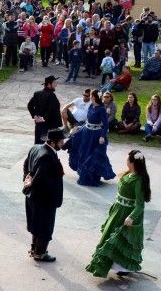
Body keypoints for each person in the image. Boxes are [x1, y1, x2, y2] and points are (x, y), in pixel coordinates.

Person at [86, 150, 151, 278]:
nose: (125, 161)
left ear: (132, 163)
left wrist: (131, 217)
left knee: (120, 240)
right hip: (118, 211)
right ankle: (112, 265)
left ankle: (123, 267)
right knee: (109, 236)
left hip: (126, 214)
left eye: (127, 159)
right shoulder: (129, 173)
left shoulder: (138, 181)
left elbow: (140, 205)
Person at [23, 128, 66, 262]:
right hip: (44, 198)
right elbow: (41, 178)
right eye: (61, 141)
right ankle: (40, 253)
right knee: (44, 226)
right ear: (53, 143)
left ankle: (35, 249)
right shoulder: (47, 156)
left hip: (33, 196)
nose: (62, 143)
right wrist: (31, 181)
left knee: (36, 224)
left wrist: (27, 178)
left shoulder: (35, 148)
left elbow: (26, 164)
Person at [65, 91, 116, 186]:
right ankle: (83, 174)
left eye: (91, 95)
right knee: (81, 150)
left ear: (94, 97)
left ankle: (92, 176)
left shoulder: (101, 109)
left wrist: (102, 136)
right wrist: (81, 127)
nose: (89, 97)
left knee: (92, 155)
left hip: (95, 135)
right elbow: (88, 120)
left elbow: (105, 124)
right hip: (86, 132)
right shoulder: (91, 106)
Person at [27, 75, 62, 144]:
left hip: (39, 124)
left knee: (38, 143)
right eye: (54, 83)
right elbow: (52, 110)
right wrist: (43, 118)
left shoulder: (37, 93)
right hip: (49, 126)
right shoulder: (51, 95)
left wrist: (35, 116)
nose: (56, 85)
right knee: (46, 146)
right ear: (49, 84)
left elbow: (29, 105)